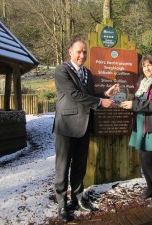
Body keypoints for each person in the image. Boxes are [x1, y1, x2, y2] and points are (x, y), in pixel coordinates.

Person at [52, 39, 119, 222]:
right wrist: (99, 102)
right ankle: (61, 204)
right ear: (70, 51)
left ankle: (78, 197)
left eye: (85, 53)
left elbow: (88, 95)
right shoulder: (62, 70)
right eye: (79, 52)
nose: (82, 55)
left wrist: (105, 94)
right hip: (66, 126)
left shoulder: (88, 73)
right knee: (62, 166)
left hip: (84, 126)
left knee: (79, 165)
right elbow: (74, 94)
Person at [120, 55, 152, 208]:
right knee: (142, 158)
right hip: (140, 123)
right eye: (144, 66)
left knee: (147, 159)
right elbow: (139, 100)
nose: (147, 68)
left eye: (150, 65)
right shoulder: (142, 83)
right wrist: (128, 103)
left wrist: (134, 105)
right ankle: (150, 188)